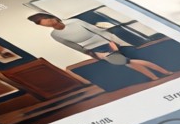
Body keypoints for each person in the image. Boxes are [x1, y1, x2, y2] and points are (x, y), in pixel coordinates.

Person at [26, 13, 170, 81]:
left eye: (41, 20)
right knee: (127, 63)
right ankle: (156, 75)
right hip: (96, 50)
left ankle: (161, 73)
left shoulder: (74, 22)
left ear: (50, 18)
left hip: (105, 42)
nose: (41, 24)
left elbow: (98, 31)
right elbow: (75, 47)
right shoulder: (55, 36)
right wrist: (92, 54)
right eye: (38, 23)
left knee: (127, 62)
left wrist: (112, 42)